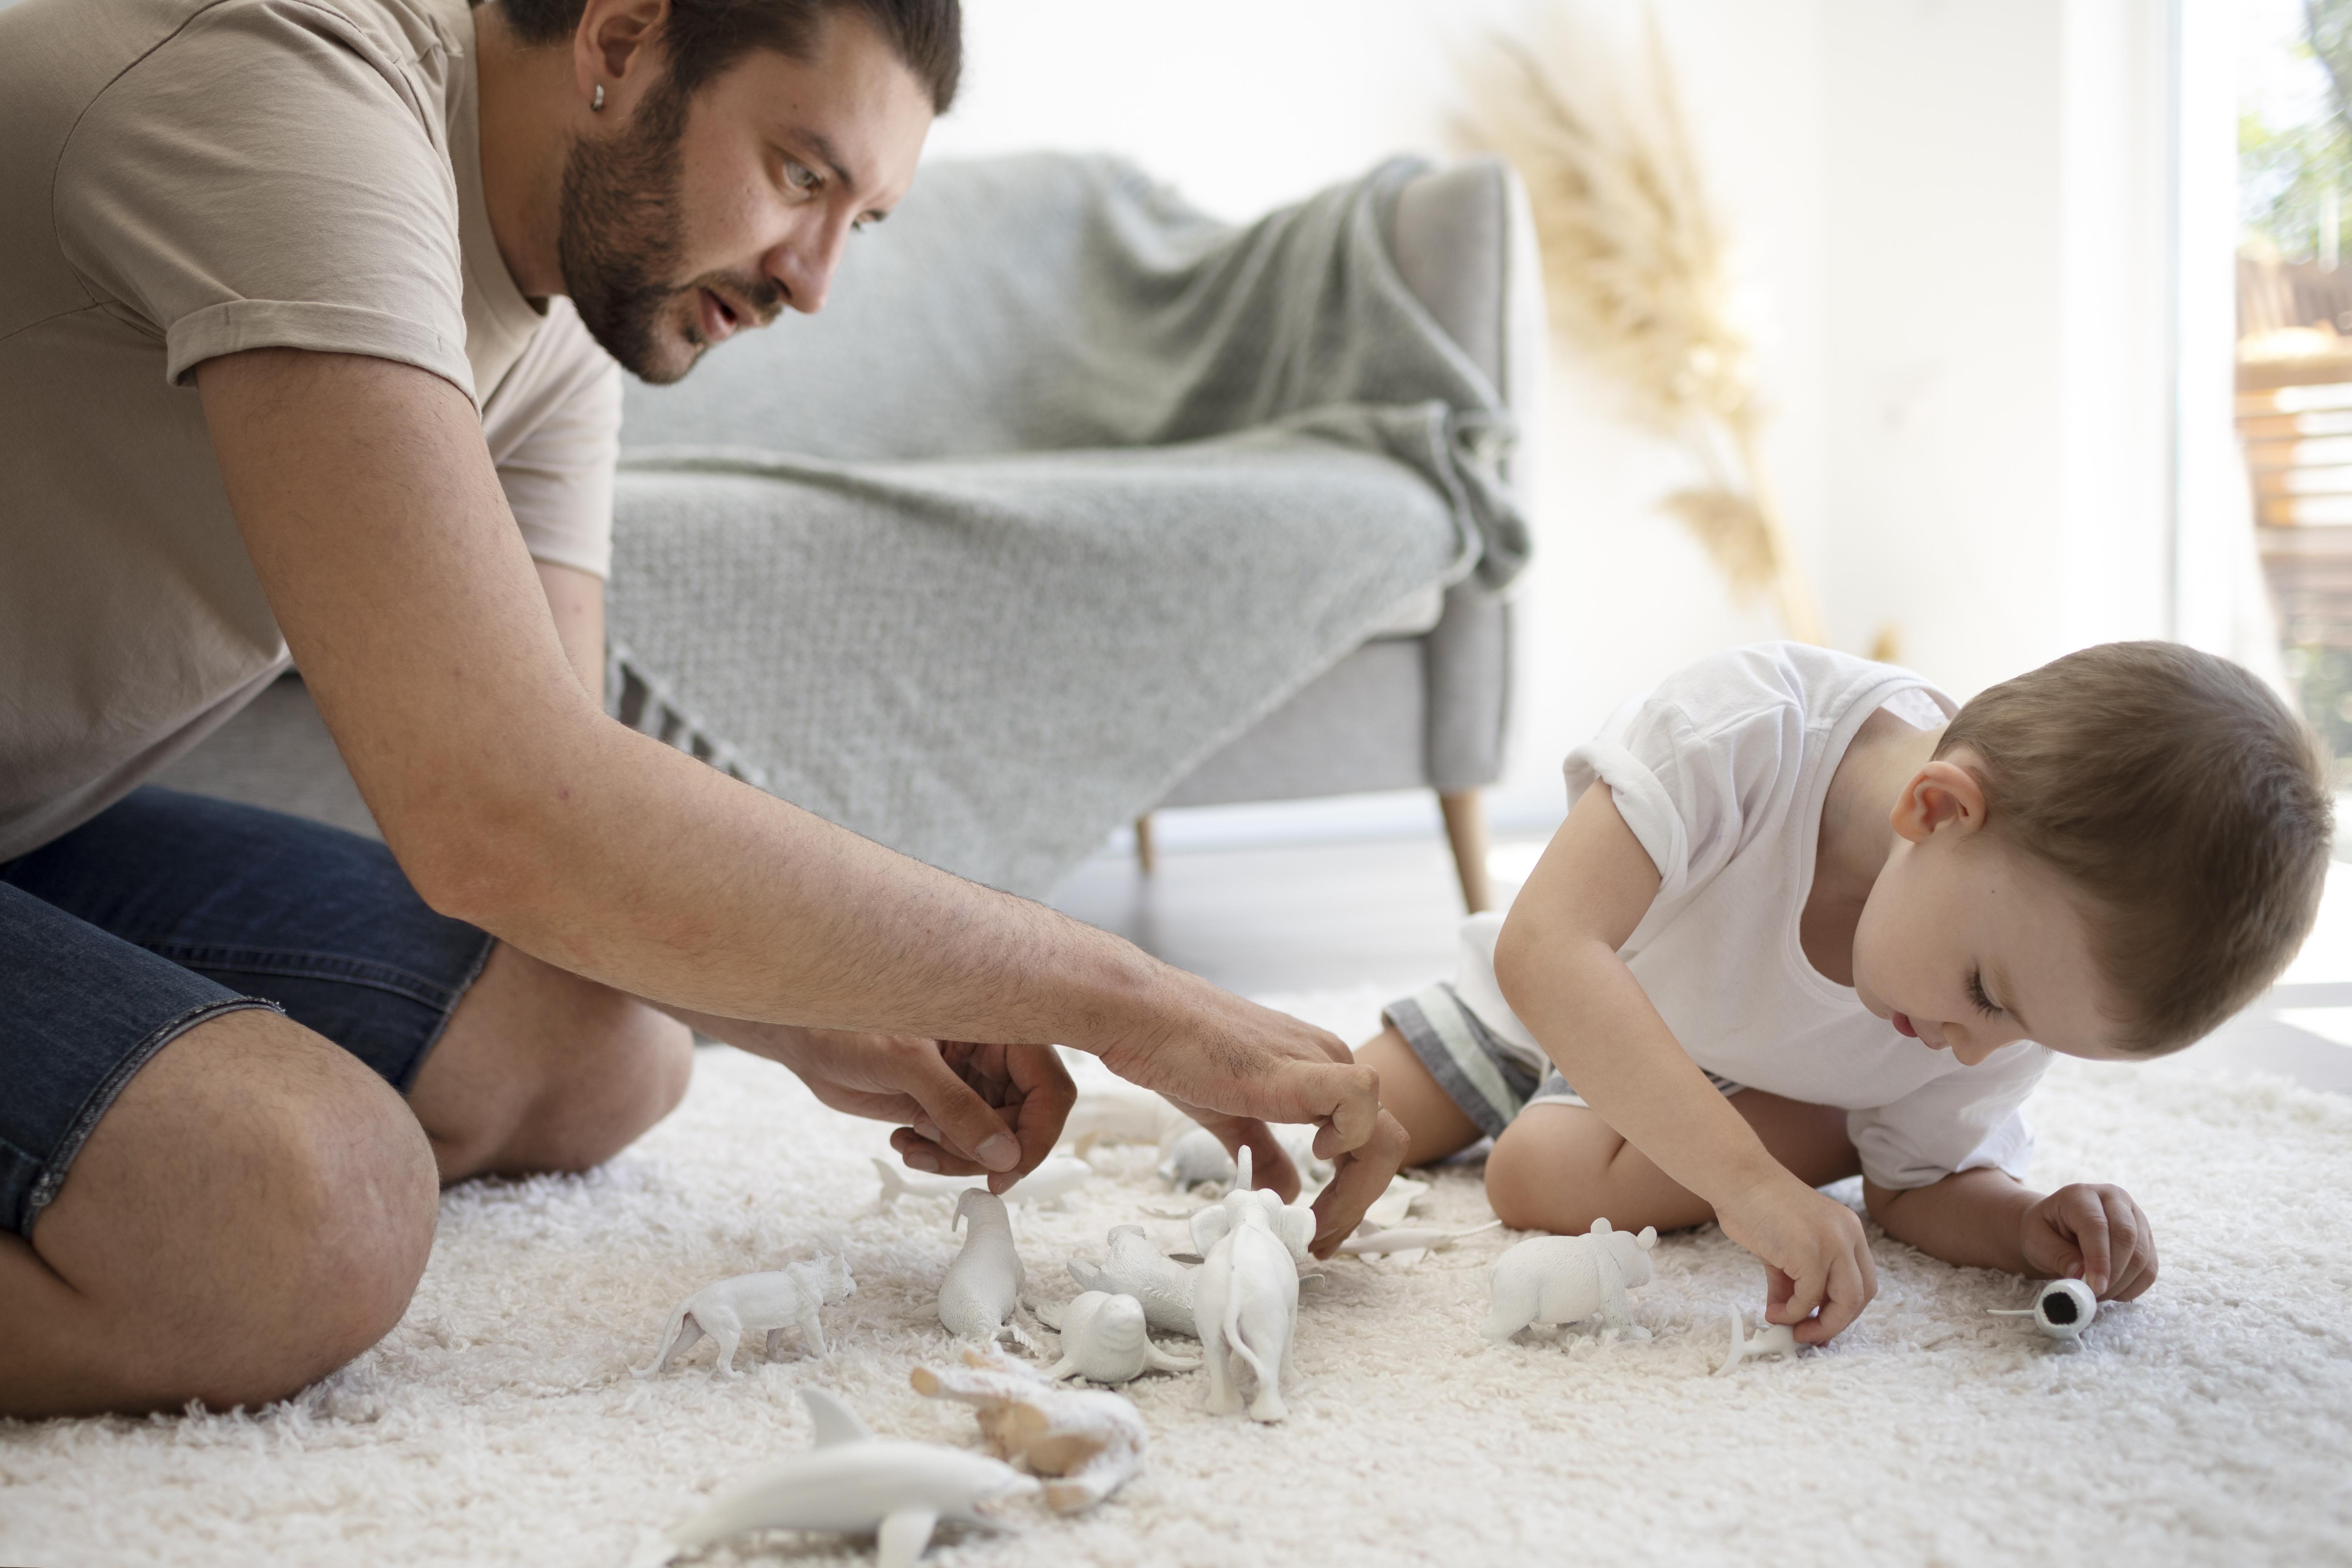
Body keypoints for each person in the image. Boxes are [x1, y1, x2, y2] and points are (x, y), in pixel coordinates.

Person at [0, 0, 1406, 1420]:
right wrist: (1126, 999)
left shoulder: (556, 313)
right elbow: (497, 805)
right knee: (299, 1218)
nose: (815, 279)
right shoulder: (288, 85)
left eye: (861, 220)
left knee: (598, 1044)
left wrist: (826, 1000)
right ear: (619, 41)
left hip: (37, 823)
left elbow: (569, 807)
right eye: (801, 174)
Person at [1358, 640, 2331, 1345]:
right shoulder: (1744, 730)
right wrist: (1748, 1182)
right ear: (1937, 809)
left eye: (2030, 1036)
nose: (1974, 1051)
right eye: (1987, 996)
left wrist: (2022, 1225)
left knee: (1535, 1174)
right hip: (1555, 989)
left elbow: (1920, 1188)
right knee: (1347, 1117)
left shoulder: (2008, 989)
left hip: (1733, 1081)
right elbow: (1548, 947)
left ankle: (1828, 1126)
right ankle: (1833, 1130)